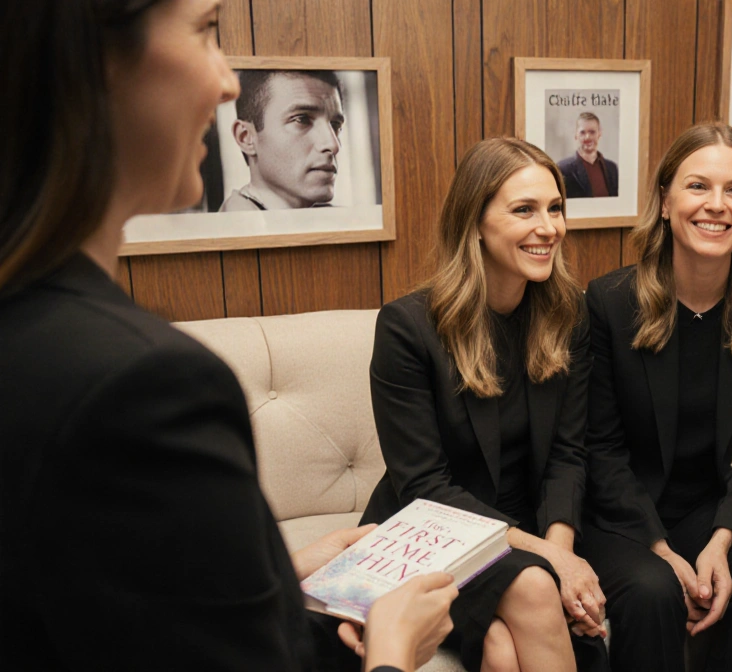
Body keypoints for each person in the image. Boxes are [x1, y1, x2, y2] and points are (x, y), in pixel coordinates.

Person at [0, 2, 454, 671]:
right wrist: (392, 649)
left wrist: (281, 570)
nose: (227, 81)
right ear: (92, 60)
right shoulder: (144, 385)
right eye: (206, 31)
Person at [358, 137, 609, 672]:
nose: (549, 228)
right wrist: (549, 560)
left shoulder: (569, 315)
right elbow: (424, 486)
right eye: (525, 210)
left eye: (555, 208)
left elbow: (568, 455)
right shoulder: (408, 328)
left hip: (523, 529)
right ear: (474, 222)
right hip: (431, 531)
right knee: (535, 591)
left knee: (504, 643)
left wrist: (561, 551)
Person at [578, 122, 732, 672]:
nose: (717, 205)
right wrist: (662, 551)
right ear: (664, 202)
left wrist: (722, 543)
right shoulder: (610, 302)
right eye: (698, 186)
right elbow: (600, 450)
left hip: (723, 509)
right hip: (626, 515)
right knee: (651, 588)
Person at [220, 69, 344, 211]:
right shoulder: (233, 228)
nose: (333, 144)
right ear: (246, 137)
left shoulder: (336, 219)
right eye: (302, 119)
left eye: (335, 125)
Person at [557, 112, 619, 198]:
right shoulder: (562, 169)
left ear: (599, 134)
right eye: (582, 132)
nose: (587, 137)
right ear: (576, 135)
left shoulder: (612, 168)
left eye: (592, 132)